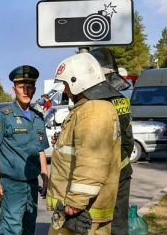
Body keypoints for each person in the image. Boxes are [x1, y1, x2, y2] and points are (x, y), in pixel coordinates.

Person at [47, 53, 121, 235]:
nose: (65, 90)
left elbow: (93, 160)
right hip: (78, 210)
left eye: (65, 84)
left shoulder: (94, 111)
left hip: (81, 215)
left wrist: (75, 202)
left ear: (76, 81)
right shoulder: (88, 109)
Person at [0, 65, 49, 235]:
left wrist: (45, 177)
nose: (26, 91)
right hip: (11, 185)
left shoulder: (38, 117)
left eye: (29, 87)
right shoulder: (3, 116)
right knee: (11, 229)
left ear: (34, 89)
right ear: (14, 89)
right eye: (21, 87)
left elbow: (40, 149)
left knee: (29, 228)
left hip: (32, 185)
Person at [90, 47, 134, 235]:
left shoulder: (92, 105)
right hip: (122, 169)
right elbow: (128, 141)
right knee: (118, 222)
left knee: (97, 223)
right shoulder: (122, 100)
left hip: (99, 173)